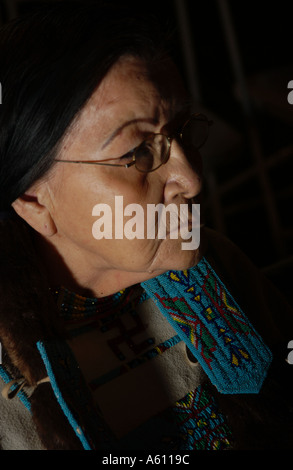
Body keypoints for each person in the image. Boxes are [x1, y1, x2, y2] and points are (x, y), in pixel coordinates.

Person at [0, 2, 292, 451]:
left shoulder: (222, 270)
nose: (191, 179)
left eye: (183, 130)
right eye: (137, 154)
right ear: (34, 199)